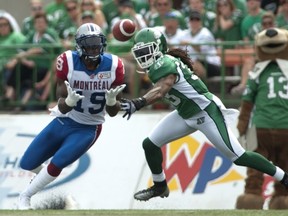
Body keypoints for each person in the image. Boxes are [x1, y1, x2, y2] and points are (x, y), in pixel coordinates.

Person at [117, 27, 288, 201]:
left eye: (147, 50)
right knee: (150, 144)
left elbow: (161, 89)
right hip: (185, 114)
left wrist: (139, 102)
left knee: (239, 156)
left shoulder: (165, 62)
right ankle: (160, 186)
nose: (143, 56)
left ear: (159, 47)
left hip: (206, 112)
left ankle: (284, 177)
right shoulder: (158, 65)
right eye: (140, 52)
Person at [17, 23, 125, 210]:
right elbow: (62, 105)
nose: (93, 48)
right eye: (89, 44)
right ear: (79, 46)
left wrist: (111, 101)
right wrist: (69, 101)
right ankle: (49, 181)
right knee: (27, 163)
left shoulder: (114, 65)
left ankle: (25, 197)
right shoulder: (67, 61)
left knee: (57, 162)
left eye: (97, 44)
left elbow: (114, 112)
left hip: (88, 127)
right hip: (63, 120)